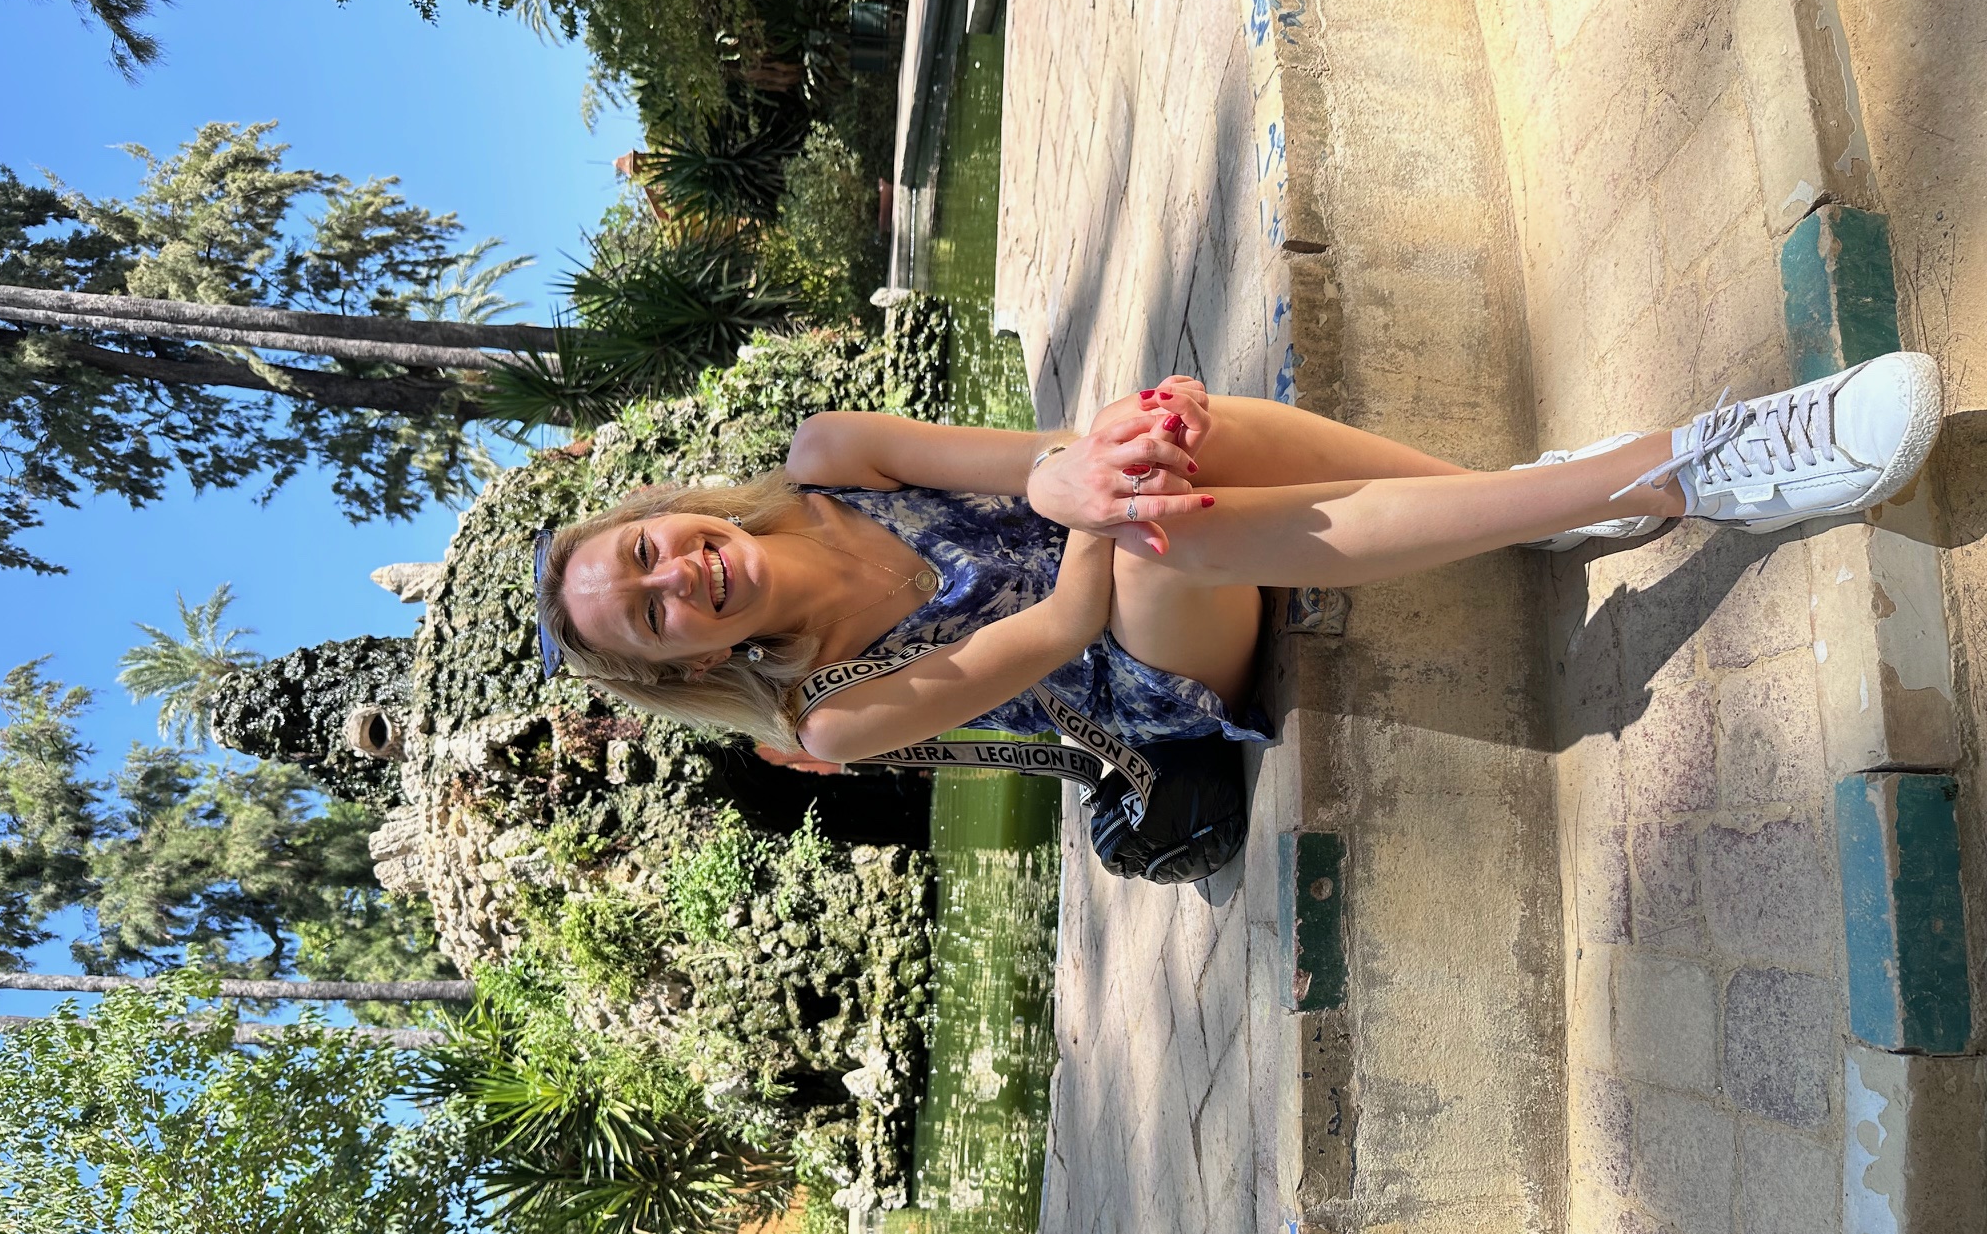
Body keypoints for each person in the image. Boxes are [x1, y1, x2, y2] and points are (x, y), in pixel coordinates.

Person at [533, 352, 1943, 767]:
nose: (678, 576)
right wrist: (1104, 492)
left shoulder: (829, 455)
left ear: (670, 513)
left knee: (1145, 441)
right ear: (688, 664)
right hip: (1146, 666)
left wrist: (1113, 446)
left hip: (1144, 533)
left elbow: (1019, 465)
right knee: (1152, 528)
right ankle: (1688, 467)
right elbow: (1054, 629)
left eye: (648, 549)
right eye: (651, 613)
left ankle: (1557, 506)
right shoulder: (824, 718)